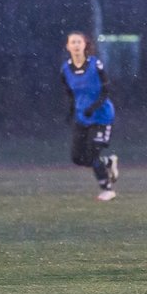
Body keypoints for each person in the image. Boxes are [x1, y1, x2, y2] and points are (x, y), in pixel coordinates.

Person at [61, 31, 119, 201]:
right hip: (82, 117)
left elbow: (106, 89)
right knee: (78, 158)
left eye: (79, 42)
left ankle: (107, 189)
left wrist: (94, 107)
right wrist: (71, 111)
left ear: (85, 45)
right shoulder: (65, 69)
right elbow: (70, 93)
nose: (76, 45)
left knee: (92, 154)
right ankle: (108, 162)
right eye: (73, 42)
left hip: (101, 116)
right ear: (68, 46)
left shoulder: (95, 64)